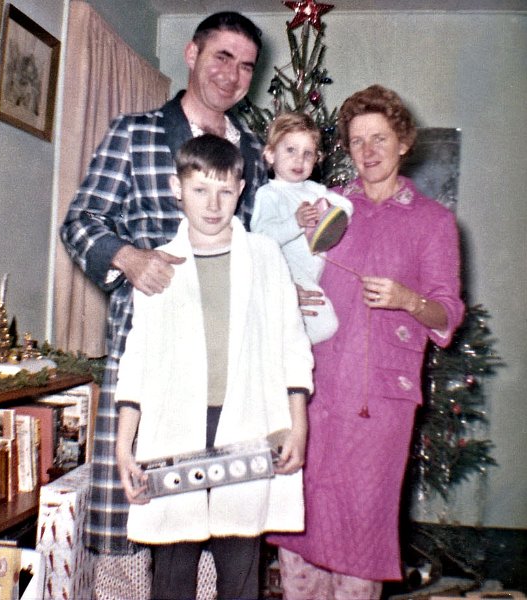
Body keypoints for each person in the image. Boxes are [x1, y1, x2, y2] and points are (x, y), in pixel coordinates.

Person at [59, 9, 268, 578]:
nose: (232, 74)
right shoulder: (137, 132)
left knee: (222, 520)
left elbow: (264, 250)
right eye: (222, 56)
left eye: (246, 65)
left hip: (229, 371)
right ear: (192, 54)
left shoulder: (252, 153)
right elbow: (80, 223)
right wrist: (128, 258)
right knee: (144, 512)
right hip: (151, 357)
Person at [268, 84, 466, 599]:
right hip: (312, 392)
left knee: (361, 524)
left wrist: (407, 298)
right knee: (303, 518)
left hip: (380, 404)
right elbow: (271, 265)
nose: (369, 152)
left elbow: (448, 311)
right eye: (357, 141)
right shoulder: (327, 207)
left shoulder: (433, 222)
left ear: (403, 141)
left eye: (380, 138)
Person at [114, 134, 313, 600]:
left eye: (225, 190)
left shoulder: (265, 257)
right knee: (172, 568)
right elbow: (137, 360)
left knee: (241, 565)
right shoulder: (160, 265)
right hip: (176, 430)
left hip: (247, 425)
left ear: (241, 189)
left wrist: (296, 427)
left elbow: (292, 344)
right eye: (200, 189)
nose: (212, 203)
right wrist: (126, 447)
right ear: (176, 187)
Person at [250, 112, 353, 344]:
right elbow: (261, 237)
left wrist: (333, 216)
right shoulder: (269, 194)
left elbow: (346, 205)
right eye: (290, 150)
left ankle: (283, 343)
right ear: (269, 154)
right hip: (287, 273)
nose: (299, 160)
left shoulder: (314, 190)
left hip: (312, 275)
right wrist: (295, 222)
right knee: (326, 325)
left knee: (323, 323)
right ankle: (278, 345)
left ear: (317, 159)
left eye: (308, 154)